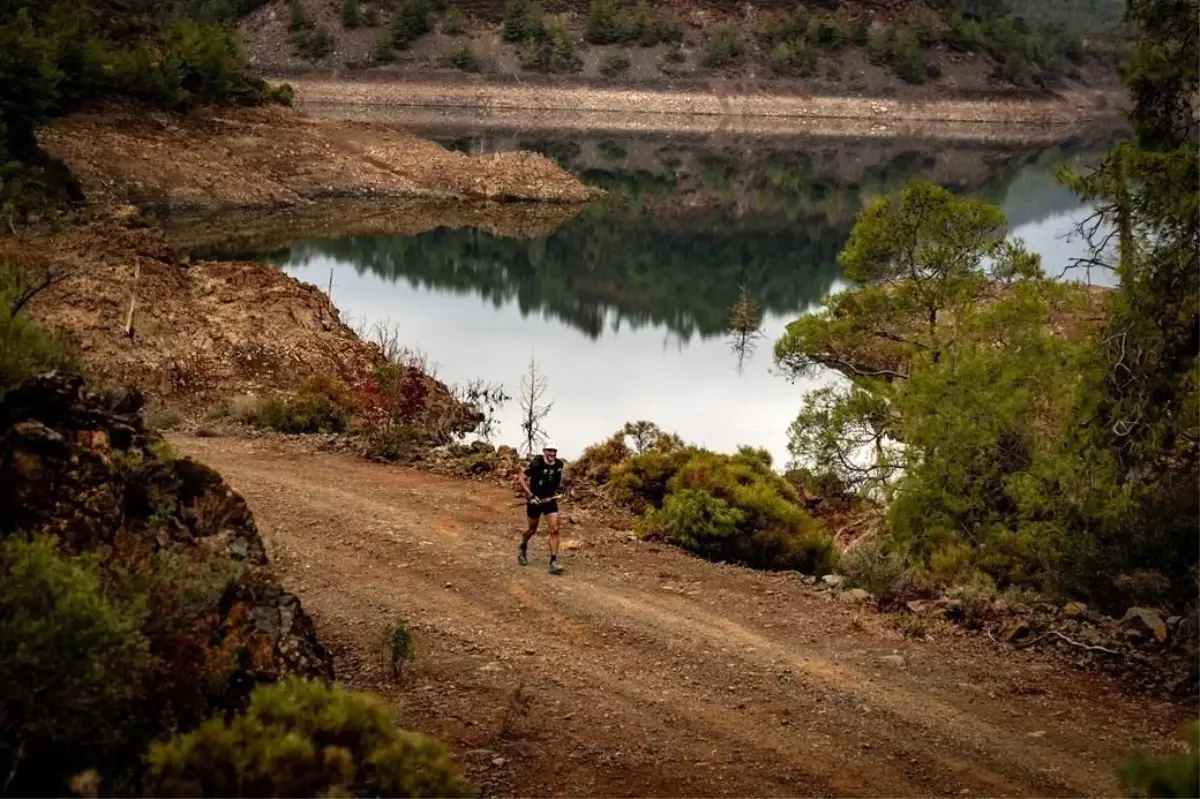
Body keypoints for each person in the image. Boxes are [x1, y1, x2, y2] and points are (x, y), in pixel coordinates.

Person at [518, 440, 566, 575]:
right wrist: (531, 495)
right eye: (549, 450)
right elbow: (521, 479)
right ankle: (523, 546)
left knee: (555, 529)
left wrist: (560, 490)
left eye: (554, 451)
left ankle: (553, 562)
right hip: (536, 501)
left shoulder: (559, 464)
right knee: (532, 530)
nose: (552, 453)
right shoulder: (537, 464)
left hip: (550, 500)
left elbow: (558, 480)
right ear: (544, 451)